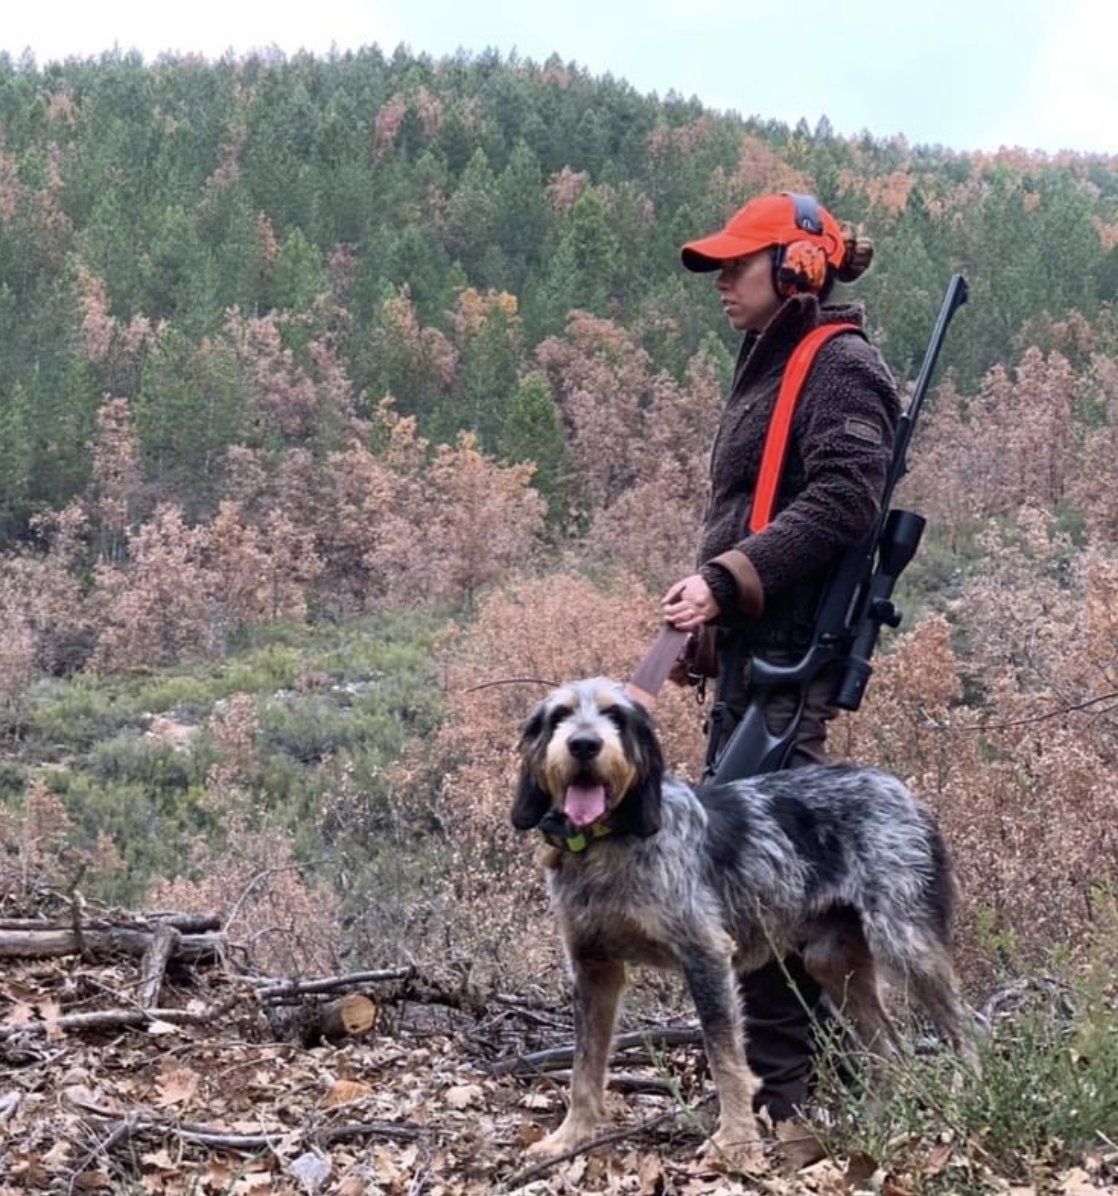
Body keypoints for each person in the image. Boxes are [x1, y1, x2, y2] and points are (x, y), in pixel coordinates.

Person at [663, 192, 900, 1132]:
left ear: (798, 267)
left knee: (754, 889)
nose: (722, 281)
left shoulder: (840, 367)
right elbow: (762, 515)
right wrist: (713, 623)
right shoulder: (772, 365)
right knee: (759, 884)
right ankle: (798, 1096)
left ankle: (783, 1106)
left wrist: (728, 581)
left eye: (737, 264)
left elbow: (847, 503)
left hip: (789, 677)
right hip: (757, 666)